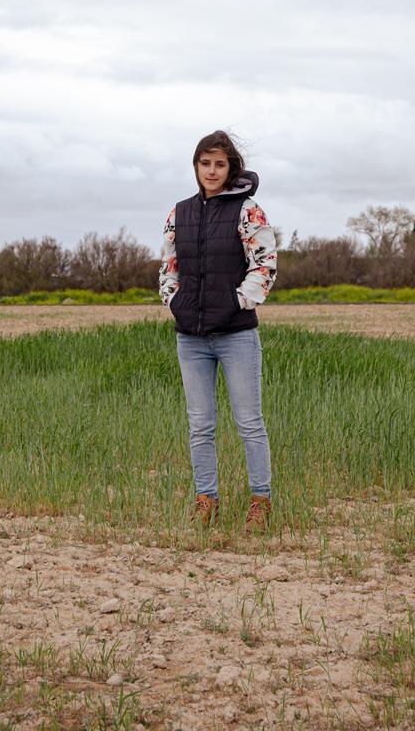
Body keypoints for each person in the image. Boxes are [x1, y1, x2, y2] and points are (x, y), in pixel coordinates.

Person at [159, 130, 278, 533]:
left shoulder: (248, 211)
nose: (211, 171)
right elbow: (168, 267)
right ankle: (205, 500)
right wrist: (173, 302)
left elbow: (264, 263)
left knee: (249, 422)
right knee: (200, 424)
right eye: (205, 163)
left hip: (236, 335)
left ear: (231, 168)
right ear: (196, 167)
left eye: (219, 164)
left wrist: (236, 302)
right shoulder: (179, 212)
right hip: (190, 337)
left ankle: (260, 502)